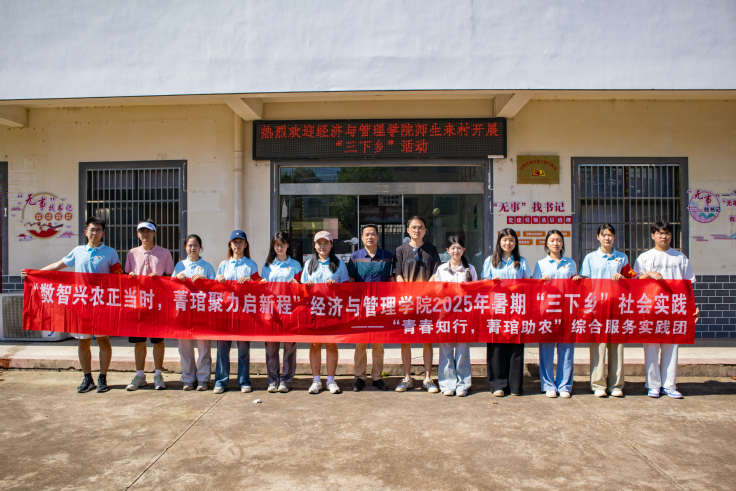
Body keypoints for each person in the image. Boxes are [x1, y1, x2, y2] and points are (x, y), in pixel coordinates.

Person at [21, 217, 122, 393]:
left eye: (98, 230)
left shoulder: (110, 252)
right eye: (92, 229)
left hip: (101, 303)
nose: (95, 233)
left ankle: (102, 377)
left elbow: (119, 276)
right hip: (81, 304)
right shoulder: (78, 251)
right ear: (86, 232)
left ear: (103, 233)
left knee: (103, 340)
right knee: (83, 341)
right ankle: (87, 378)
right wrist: (34, 273)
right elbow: (58, 265)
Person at [634, 221, 699, 399]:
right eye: (660, 233)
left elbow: (688, 285)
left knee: (671, 346)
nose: (664, 236)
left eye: (667, 233)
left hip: (674, 309)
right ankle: (653, 385)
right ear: (653, 235)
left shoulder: (680, 258)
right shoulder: (644, 258)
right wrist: (648, 274)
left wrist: (693, 305)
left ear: (671, 235)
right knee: (651, 347)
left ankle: (669, 385)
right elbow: (634, 282)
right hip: (650, 309)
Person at [579, 223, 634, 398]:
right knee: (598, 346)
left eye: (610, 235)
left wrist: (623, 278)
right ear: (598, 237)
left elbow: (632, 280)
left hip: (617, 307)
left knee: (617, 347)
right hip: (597, 308)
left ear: (614, 237)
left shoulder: (622, 258)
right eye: (604, 235)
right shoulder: (590, 258)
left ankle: (616, 385)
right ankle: (598, 384)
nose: (607, 238)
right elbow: (585, 284)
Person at [125, 219, 175, 391]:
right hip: (138, 304)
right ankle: (140, 375)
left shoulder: (164, 253)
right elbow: (126, 276)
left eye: (148, 231)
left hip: (157, 305)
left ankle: (158, 374)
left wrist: (160, 279)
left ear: (155, 233)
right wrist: (130, 276)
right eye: (142, 231)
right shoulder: (132, 253)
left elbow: (171, 278)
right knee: (139, 341)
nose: (145, 234)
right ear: (138, 234)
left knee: (158, 341)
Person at [393, 216, 441, 393]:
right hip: (407, 302)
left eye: (420, 227)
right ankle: (407, 377)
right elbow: (397, 274)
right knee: (405, 340)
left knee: (427, 339)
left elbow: (436, 273)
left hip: (427, 302)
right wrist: (408, 294)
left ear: (425, 230)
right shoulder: (400, 250)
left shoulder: (432, 249)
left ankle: (427, 378)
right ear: (408, 230)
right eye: (413, 227)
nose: (417, 230)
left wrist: (424, 293)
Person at [532, 230, 582, 398]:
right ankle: (548, 385)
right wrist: (541, 282)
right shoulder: (541, 264)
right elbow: (535, 287)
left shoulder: (570, 263)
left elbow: (575, 286)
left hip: (566, 310)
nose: (555, 243)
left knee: (566, 349)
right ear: (547, 243)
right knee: (546, 350)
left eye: (559, 240)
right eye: (552, 240)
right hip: (547, 311)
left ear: (562, 243)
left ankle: (564, 385)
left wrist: (576, 280)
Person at [482, 228, 531, 397]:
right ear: (499, 242)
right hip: (496, 308)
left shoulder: (521, 262)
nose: (508, 243)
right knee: (496, 347)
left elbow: (528, 283)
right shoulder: (491, 260)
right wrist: (491, 282)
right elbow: (483, 283)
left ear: (515, 243)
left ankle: (515, 385)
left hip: (516, 308)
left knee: (515, 346)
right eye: (504, 240)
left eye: (511, 240)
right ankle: (498, 384)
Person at [301, 231, 350, 394]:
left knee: (331, 343)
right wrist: (307, 286)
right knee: (315, 344)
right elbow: (301, 289)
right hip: (314, 309)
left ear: (331, 245)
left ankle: (330, 380)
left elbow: (346, 288)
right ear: (315, 245)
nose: (322, 246)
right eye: (319, 243)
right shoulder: (309, 264)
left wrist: (335, 286)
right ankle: (316, 380)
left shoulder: (339, 264)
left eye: (326, 243)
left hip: (332, 310)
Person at [347, 224, 393, 392]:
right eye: (367, 234)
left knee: (378, 345)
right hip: (361, 306)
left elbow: (392, 281)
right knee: (360, 344)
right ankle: (360, 377)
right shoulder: (355, 257)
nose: (370, 237)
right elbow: (351, 281)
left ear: (378, 237)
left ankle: (377, 377)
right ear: (362, 238)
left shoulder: (388, 257)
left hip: (381, 307)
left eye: (373, 234)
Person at [431, 236, 477, 397]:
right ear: (447, 250)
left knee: (463, 350)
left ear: (464, 250)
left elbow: (475, 292)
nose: (456, 251)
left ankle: (463, 384)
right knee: (446, 349)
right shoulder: (441, 269)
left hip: (464, 315)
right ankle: (447, 384)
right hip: (446, 314)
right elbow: (436, 291)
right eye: (453, 248)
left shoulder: (470, 269)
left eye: (459, 248)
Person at [214, 230, 259, 394]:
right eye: (235, 242)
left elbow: (259, 286)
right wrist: (218, 279)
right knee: (222, 350)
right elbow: (215, 289)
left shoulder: (251, 264)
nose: (237, 245)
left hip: (244, 312)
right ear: (230, 245)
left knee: (243, 350)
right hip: (225, 312)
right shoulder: (223, 265)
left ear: (246, 245)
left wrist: (250, 281)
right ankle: (221, 381)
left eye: (240, 242)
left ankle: (244, 381)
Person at [172, 234, 216, 391]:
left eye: (196, 245)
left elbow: (216, 289)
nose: (193, 248)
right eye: (190, 245)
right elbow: (171, 287)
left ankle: (203, 379)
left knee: (204, 347)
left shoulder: (207, 266)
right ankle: (188, 378)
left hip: (202, 312)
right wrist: (176, 278)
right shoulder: (179, 266)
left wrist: (205, 280)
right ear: (185, 247)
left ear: (200, 247)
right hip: (184, 312)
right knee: (185, 347)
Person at [260, 231, 302, 393]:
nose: (280, 247)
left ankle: (286, 380)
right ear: (273, 246)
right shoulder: (267, 266)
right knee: (271, 348)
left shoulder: (296, 265)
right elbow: (263, 289)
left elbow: (301, 289)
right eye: (277, 245)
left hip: (290, 311)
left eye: (282, 244)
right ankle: (272, 380)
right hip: (271, 312)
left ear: (288, 245)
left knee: (289, 348)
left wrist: (296, 284)